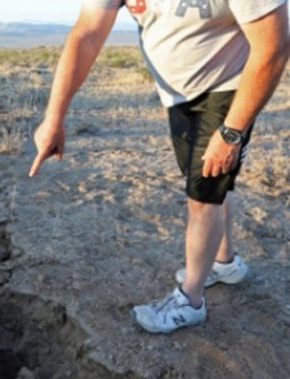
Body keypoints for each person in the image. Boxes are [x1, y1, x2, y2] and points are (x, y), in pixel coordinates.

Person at [29, 0, 289, 333]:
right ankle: (225, 263)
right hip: (179, 96)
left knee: (203, 194)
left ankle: (190, 300)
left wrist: (231, 132)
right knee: (212, 181)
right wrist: (54, 117)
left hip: (228, 88)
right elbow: (88, 33)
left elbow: (274, 46)